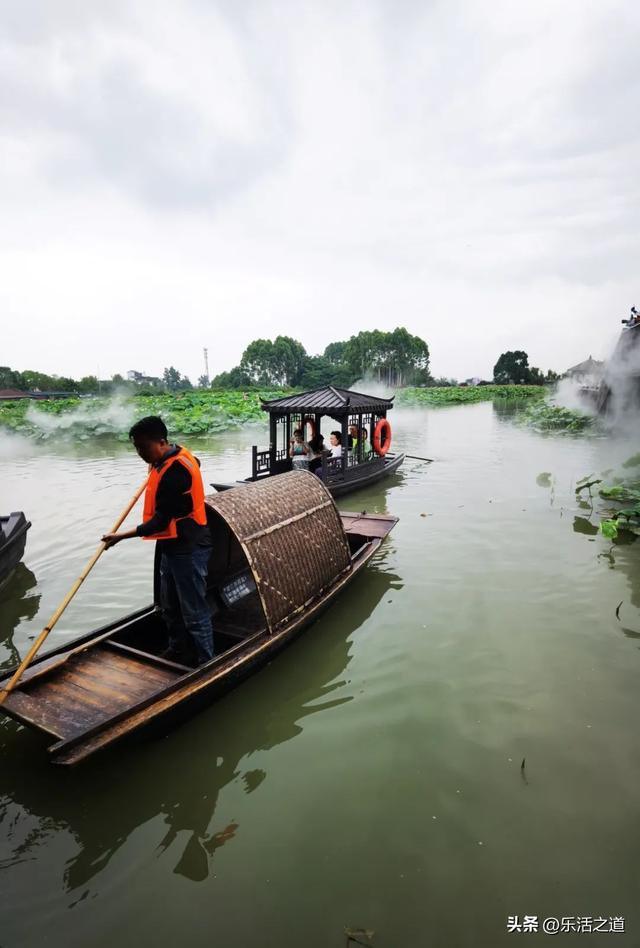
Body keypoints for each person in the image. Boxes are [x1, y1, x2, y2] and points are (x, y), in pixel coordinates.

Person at [101, 415, 214, 665]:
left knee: (194, 611)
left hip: (189, 546)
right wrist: (156, 466)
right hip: (171, 545)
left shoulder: (176, 471)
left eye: (144, 447)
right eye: (137, 448)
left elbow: (159, 521)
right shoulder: (170, 456)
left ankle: (207, 663)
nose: (141, 453)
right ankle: (177, 649)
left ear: (162, 442)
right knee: (169, 606)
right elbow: (197, 460)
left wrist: (120, 537)